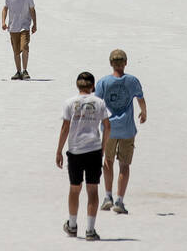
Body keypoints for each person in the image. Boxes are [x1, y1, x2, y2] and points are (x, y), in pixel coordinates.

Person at [56, 71, 109, 241]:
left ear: (77, 85)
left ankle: (72, 225)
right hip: (93, 149)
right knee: (92, 189)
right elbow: (107, 126)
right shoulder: (99, 102)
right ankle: (90, 230)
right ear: (93, 86)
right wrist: (103, 147)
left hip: (75, 150)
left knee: (74, 188)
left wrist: (59, 150)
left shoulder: (69, 103)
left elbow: (65, 128)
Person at [95, 49, 146, 214]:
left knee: (108, 161)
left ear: (111, 63)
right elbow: (140, 98)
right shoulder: (132, 81)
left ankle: (108, 196)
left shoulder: (103, 82)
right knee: (124, 165)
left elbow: (97, 103)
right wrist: (143, 112)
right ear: (125, 63)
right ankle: (119, 200)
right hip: (127, 128)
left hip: (109, 128)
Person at [0, 0, 36, 79]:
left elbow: (32, 10)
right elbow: (5, 9)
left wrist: (35, 24)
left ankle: (25, 70)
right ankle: (18, 71)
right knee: (16, 51)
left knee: (24, 46)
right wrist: (3, 22)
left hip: (24, 26)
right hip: (13, 27)